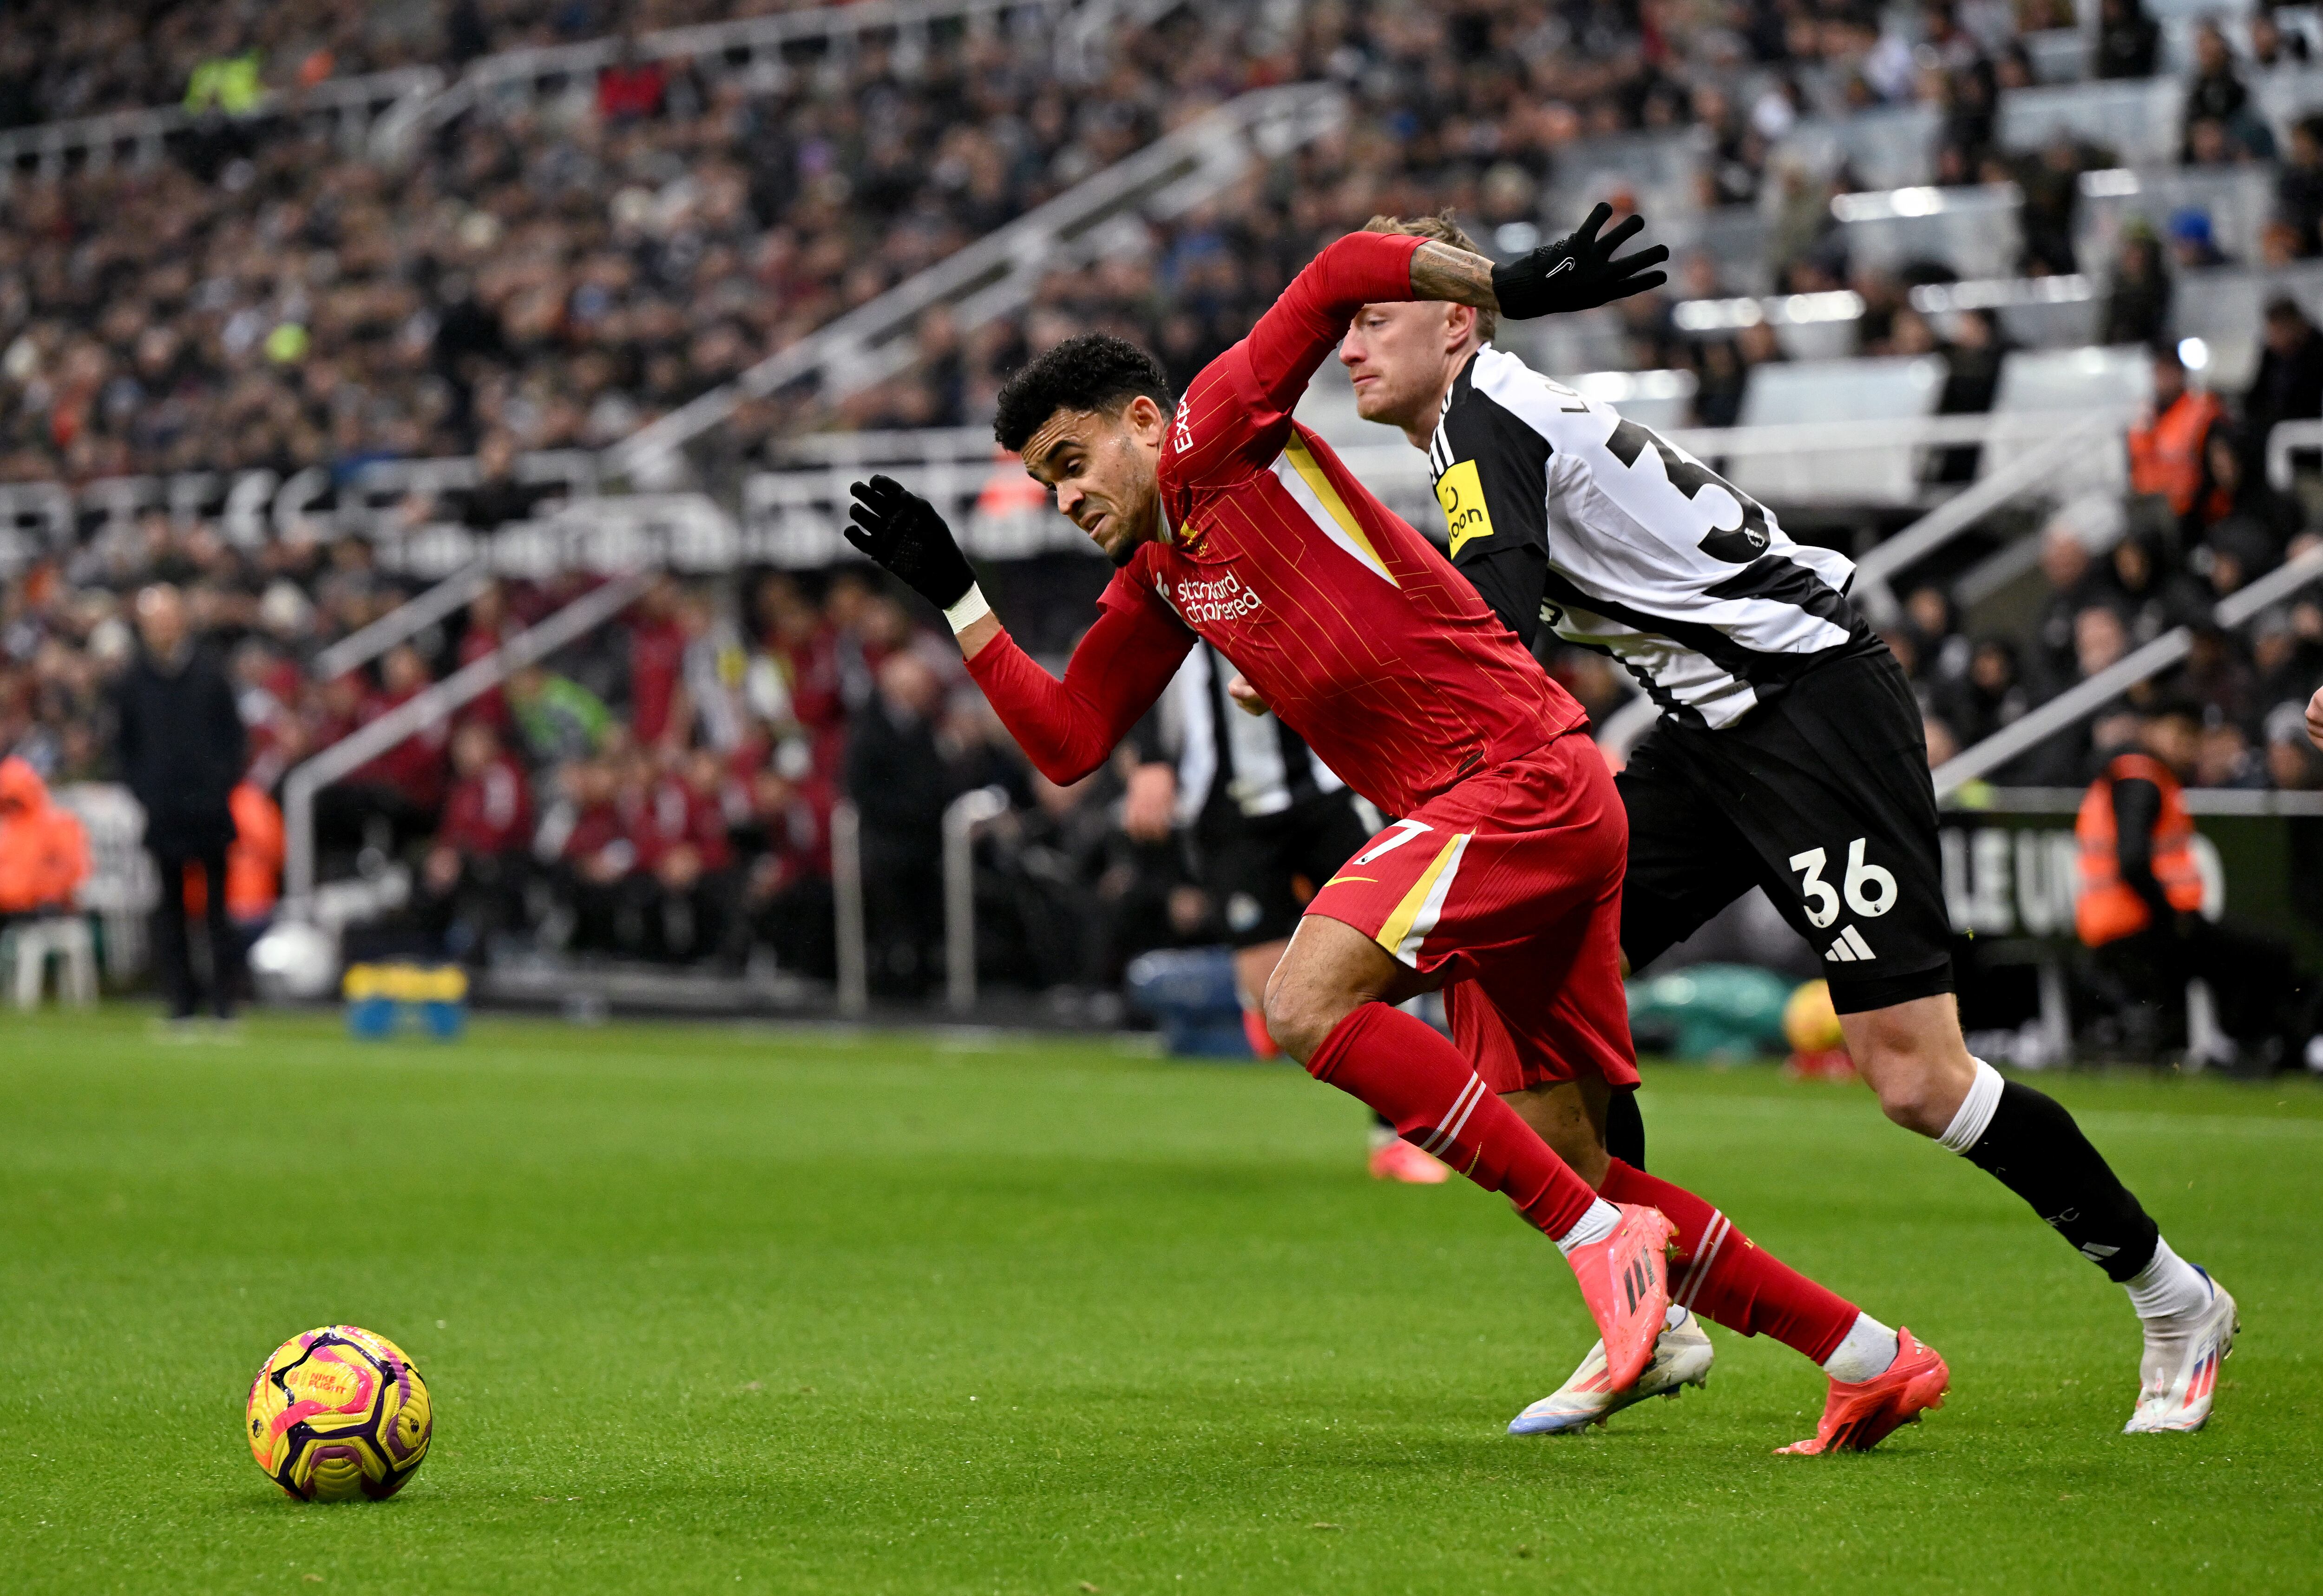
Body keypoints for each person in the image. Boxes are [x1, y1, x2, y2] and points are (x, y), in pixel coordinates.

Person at [843, 214, 1946, 1452]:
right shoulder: (1163, 570)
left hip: (1514, 781)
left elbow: (1337, 267)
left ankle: (1603, 1254)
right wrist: (958, 595)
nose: (1066, 494)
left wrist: (1506, 282)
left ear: (1145, 423)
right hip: (1519, 806)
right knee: (1574, 1158)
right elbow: (1069, 738)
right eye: (1046, 480)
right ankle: (1867, 1354)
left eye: (1074, 457)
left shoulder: (1219, 425)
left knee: (1307, 1002)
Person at [1339, 208, 2234, 1437]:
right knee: (1550, 968)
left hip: (1813, 713)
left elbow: (1492, 638)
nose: (1347, 346)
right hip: (1712, 732)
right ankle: (1654, 1310)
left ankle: (2174, 1297)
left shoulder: (1485, 424)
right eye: (1342, 322)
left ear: (1455, 320)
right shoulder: (1482, 418)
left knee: (1917, 1078)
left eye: (1372, 316)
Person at [1126, 642, 1444, 1183]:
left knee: (1385, 945)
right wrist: (1151, 757)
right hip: (1230, 803)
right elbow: (1139, 651)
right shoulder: (1173, 564)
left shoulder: (1310, 558)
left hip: (1331, 787)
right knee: (1277, 1002)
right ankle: (1263, 999)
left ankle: (1396, 1134)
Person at [2081, 706, 2314, 1066]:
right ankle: (2259, 1047)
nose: (2186, 747)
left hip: (2115, 925)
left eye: (2193, 738)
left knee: (2239, 955)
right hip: (2140, 924)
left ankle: (2243, 1044)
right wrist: (2171, 915)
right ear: (2152, 729)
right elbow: (2133, 860)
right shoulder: (2141, 777)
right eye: (2180, 734)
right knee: (2269, 953)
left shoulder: (2123, 774)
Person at [115, 584, 246, 1022]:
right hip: (164, 812)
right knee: (169, 912)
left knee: (216, 911)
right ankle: (181, 1003)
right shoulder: (133, 682)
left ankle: (225, 1002)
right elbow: (126, 745)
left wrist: (217, 785)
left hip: (209, 811)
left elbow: (233, 740)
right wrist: (146, 791)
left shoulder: (211, 674)